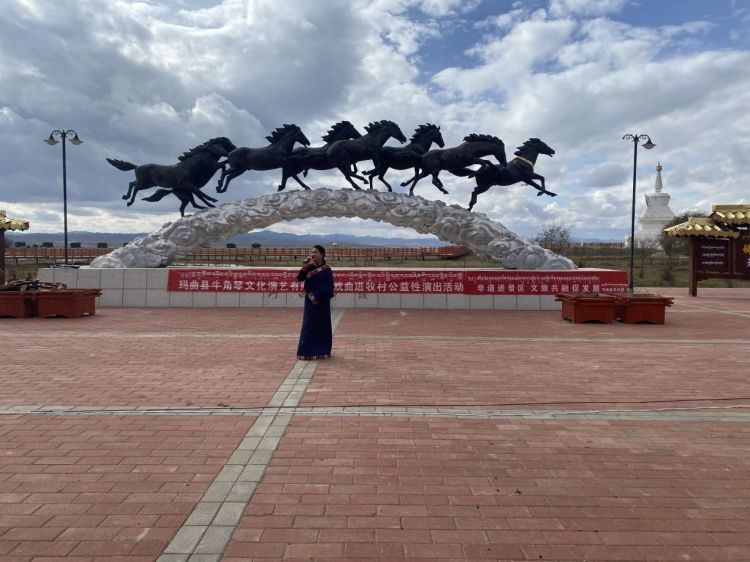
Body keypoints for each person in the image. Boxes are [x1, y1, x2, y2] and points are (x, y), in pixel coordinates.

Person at [296, 245, 334, 360]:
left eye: (316, 252)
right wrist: (304, 267)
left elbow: (328, 287)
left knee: (322, 326)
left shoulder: (327, 270)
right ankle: (306, 352)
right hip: (309, 302)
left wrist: (315, 296)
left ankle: (322, 351)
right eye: (312, 252)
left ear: (322, 254)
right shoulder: (309, 267)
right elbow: (299, 278)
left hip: (322, 303)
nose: (313, 254)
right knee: (309, 325)